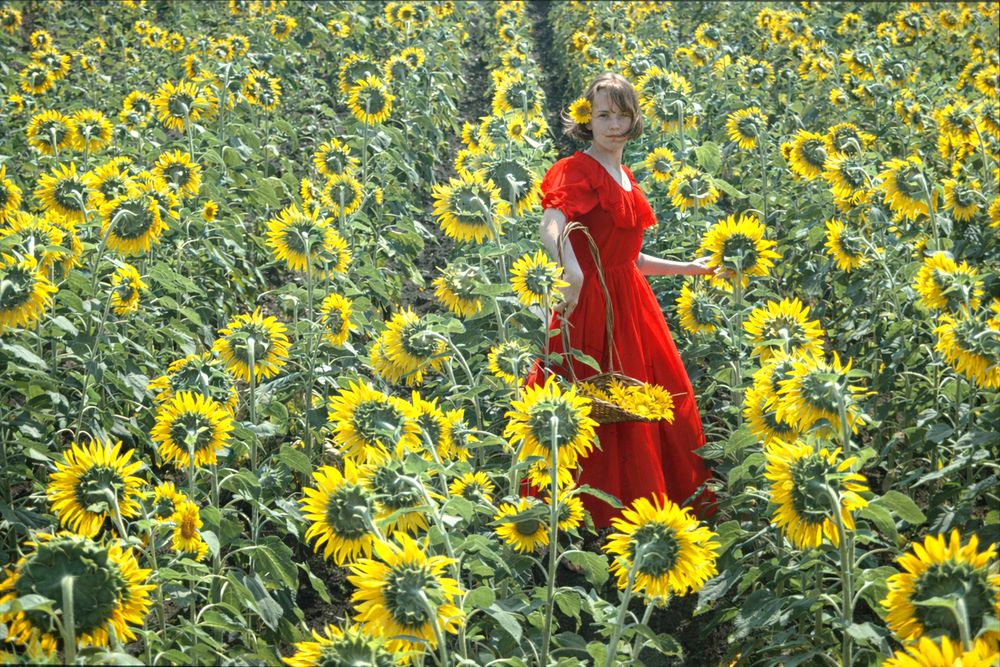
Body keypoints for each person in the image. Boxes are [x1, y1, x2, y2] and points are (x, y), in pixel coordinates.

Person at [525, 72, 715, 528]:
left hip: (632, 307)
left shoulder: (626, 177)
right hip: (590, 308)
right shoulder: (575, 169)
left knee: (644, 408)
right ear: (585, 120)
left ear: (635, 119)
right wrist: (569, 265)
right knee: (587, 411)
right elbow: (551, 225)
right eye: (603, 114)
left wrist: (688, 268)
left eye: (622, 113)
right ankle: (584, 521)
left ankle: (644, 517)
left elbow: (628, 259)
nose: (613, 124)